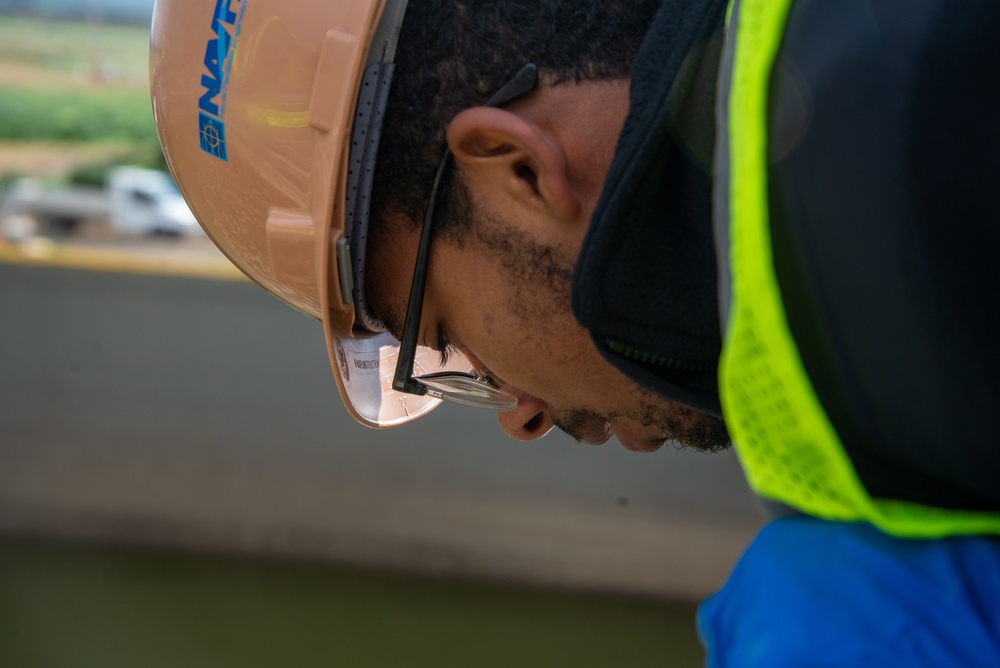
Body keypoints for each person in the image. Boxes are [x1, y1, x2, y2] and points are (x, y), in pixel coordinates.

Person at [151, 0, 1000, 663]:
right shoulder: (874, 171)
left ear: (517, 167)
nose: (519, 415)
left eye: (441, 336)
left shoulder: (911, 230)